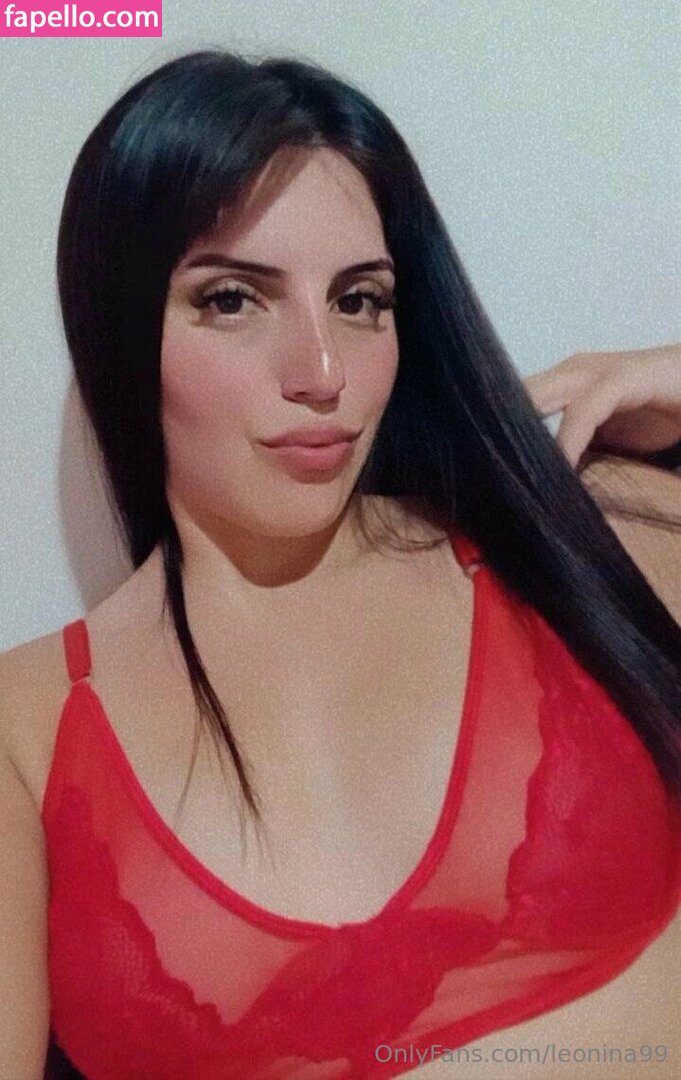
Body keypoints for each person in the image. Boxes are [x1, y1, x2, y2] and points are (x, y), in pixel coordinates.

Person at [0, 48, 679, 1080]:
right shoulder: (27, 730)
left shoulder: (584, 540)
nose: (322, 373)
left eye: (360, 300)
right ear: (119, 324)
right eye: (234, 299)